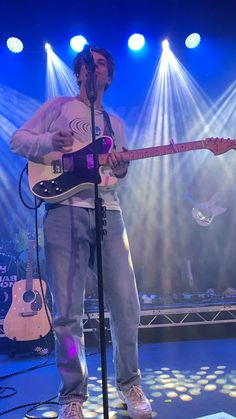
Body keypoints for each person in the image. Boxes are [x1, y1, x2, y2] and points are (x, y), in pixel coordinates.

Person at [10, 45, 152, 419]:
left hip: (109, 210)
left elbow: (117, 170)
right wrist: (46, 143)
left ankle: (129, 384)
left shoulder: (113, 123)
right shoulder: (58, 106)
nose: (95, 68)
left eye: (102, 64)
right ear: (79, 72)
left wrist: (121, 168)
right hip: (62, 212)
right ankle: (72, 395)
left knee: (127, 304)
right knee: (68, 312)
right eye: (89, 64)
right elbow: (17, 140)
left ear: (108, 75)